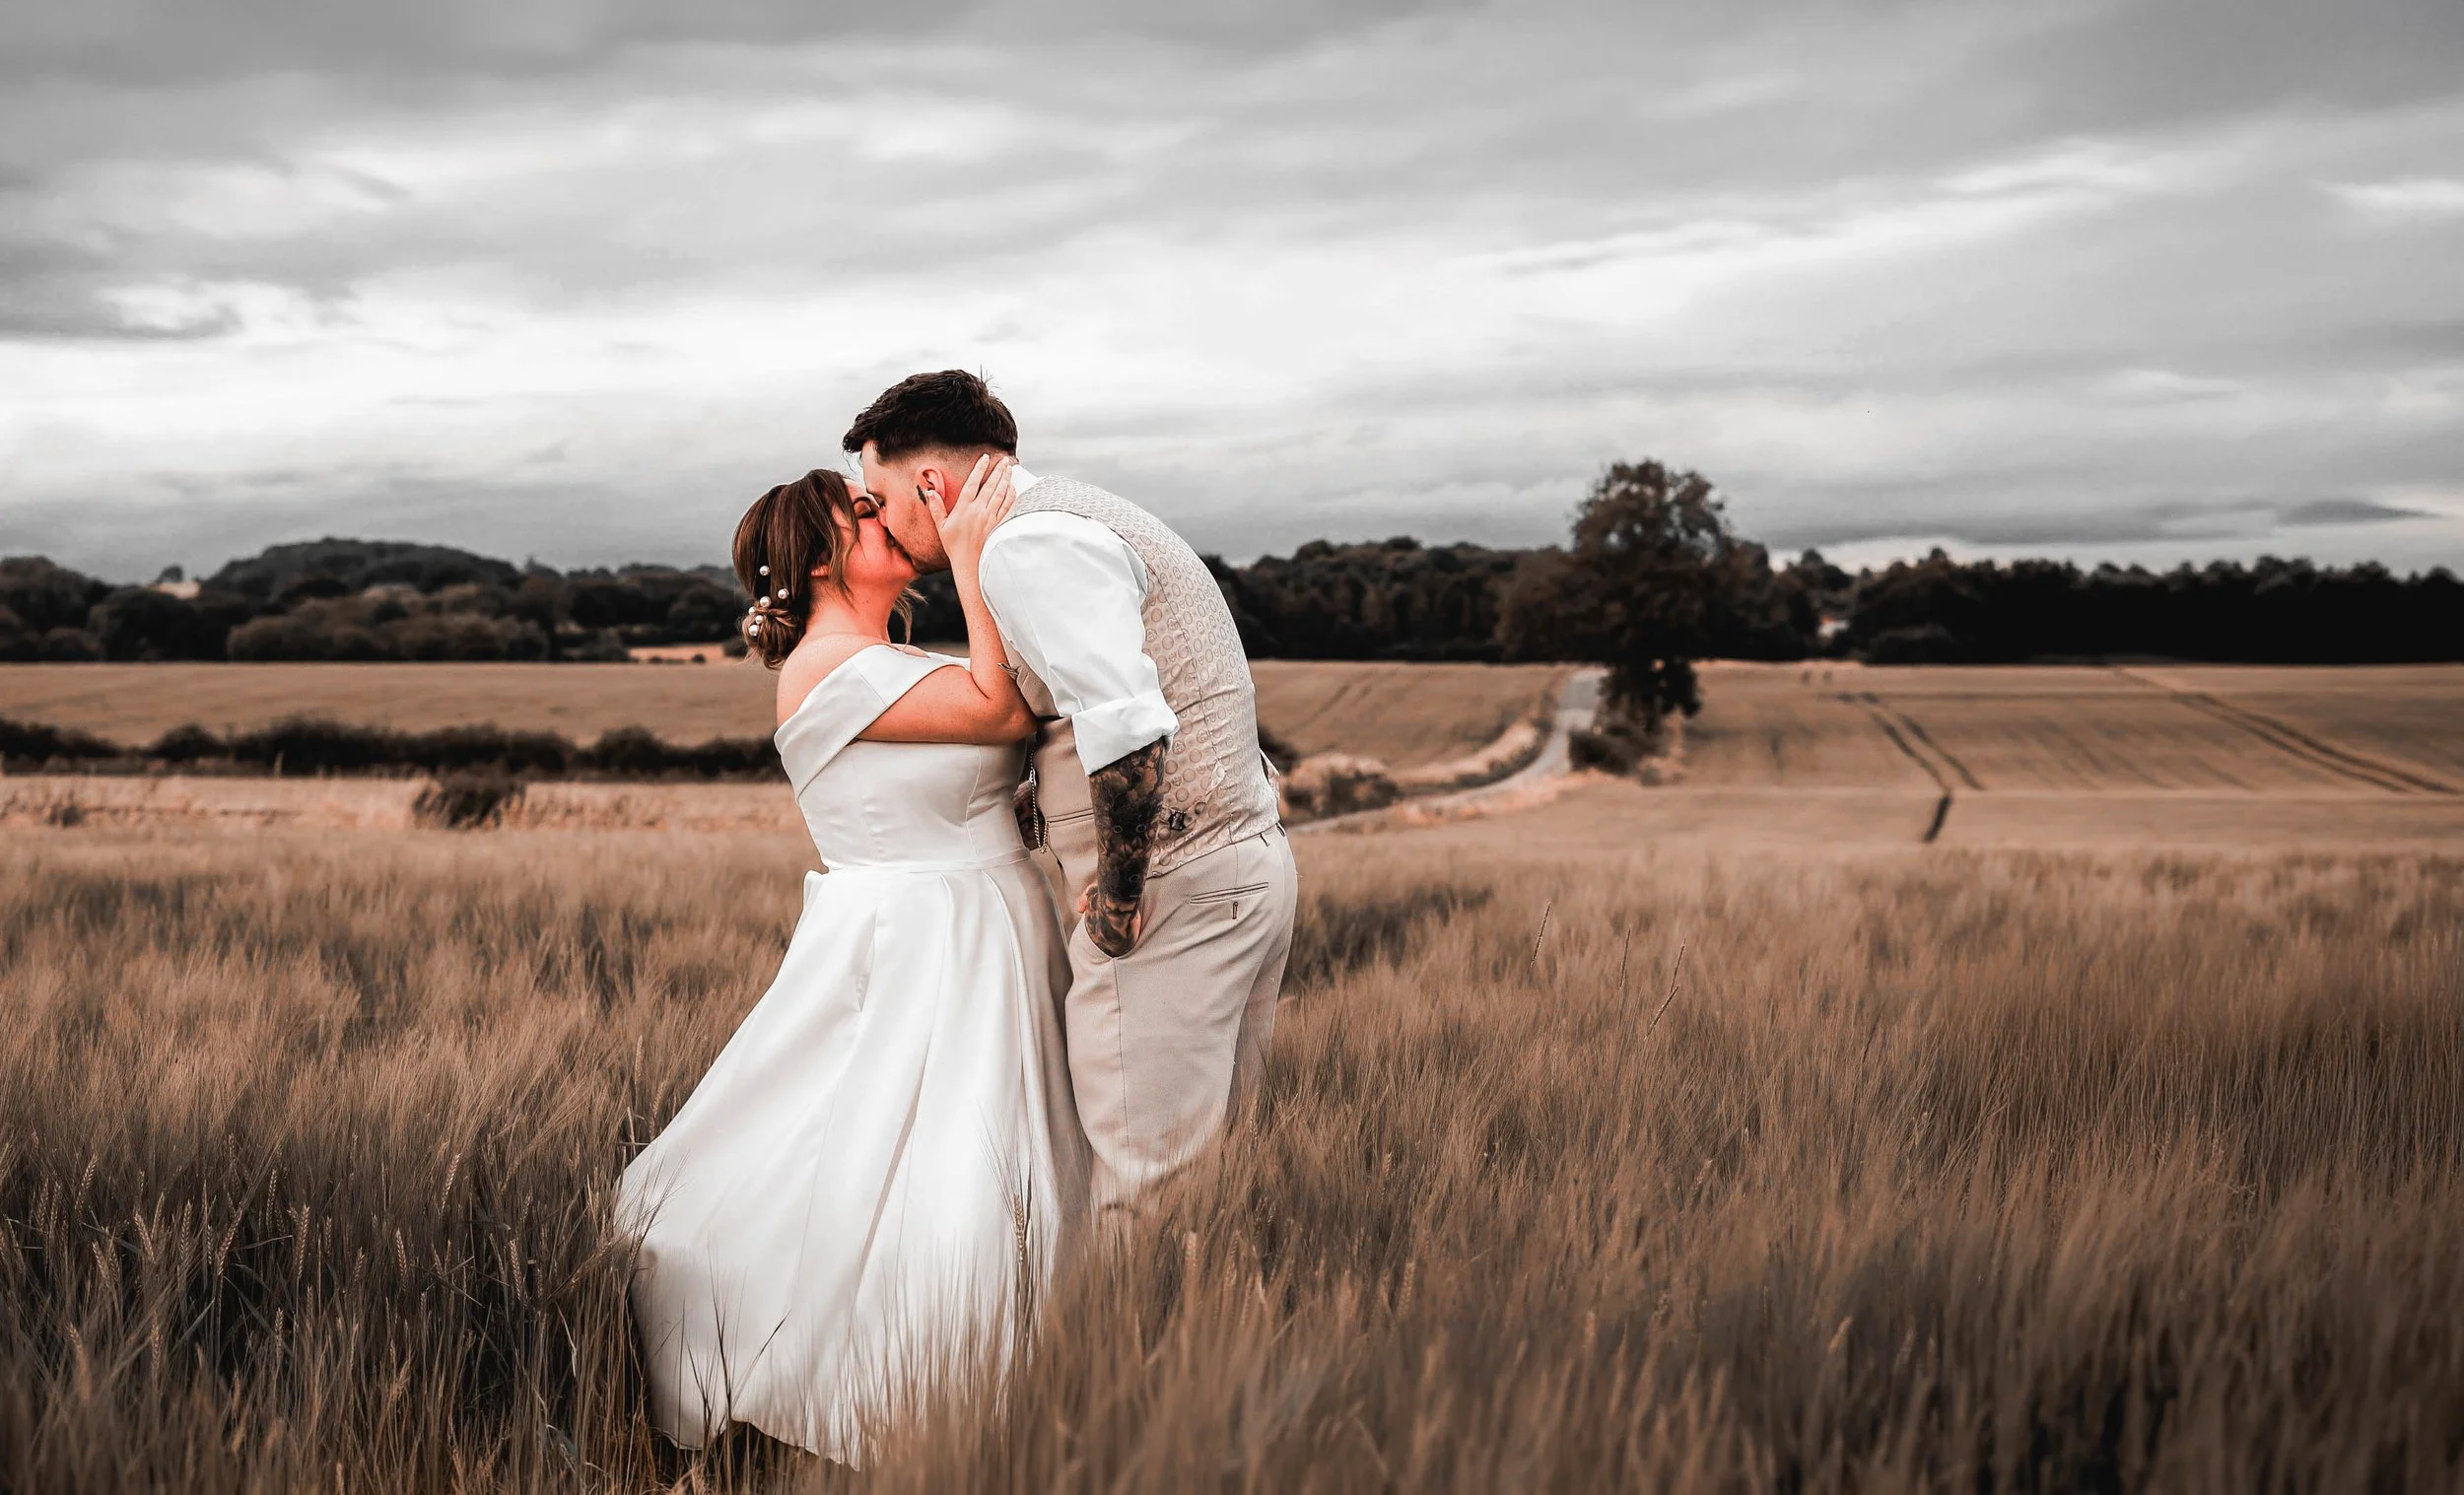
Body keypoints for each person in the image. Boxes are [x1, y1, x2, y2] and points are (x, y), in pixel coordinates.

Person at [616, 461, 1087, 1462]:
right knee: (937, 1161)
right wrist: (973, 560)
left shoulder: (882, 655)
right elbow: (1001, 713)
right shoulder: (826, 664)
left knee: (973, 1147)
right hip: (925, 936)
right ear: (825, 557)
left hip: (984, 920)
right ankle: (920, 1389)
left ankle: (1022, 1386)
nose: (889, 520)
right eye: (865, 511)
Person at [845, 370, 1298, 1217]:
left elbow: (1130, 730)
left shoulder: (1028, 548)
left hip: (1172, 893)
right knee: (1208, 1181)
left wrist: (1118, 909)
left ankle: (1127, 1318)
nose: (882, 519)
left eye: (882, 497)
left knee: (1142, 1190)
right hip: (1237, 869)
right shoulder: (1078, 515)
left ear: (931, 483)